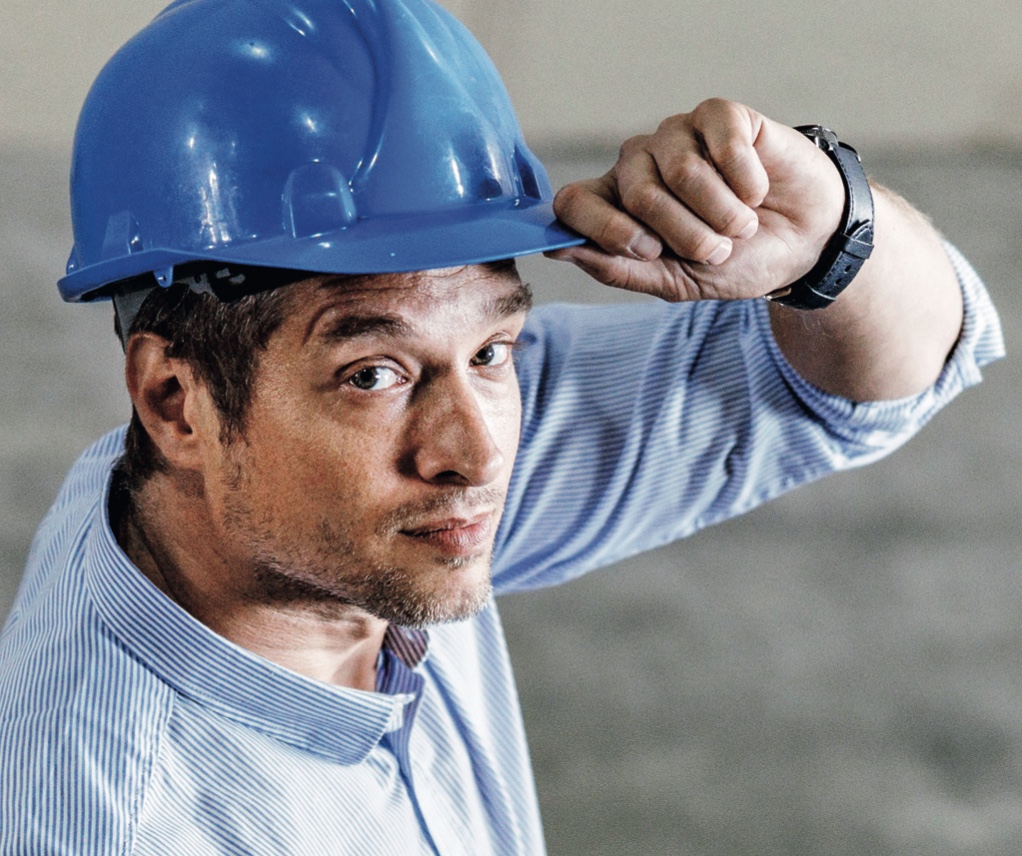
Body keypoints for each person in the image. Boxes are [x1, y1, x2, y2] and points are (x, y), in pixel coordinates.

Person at [0, 0, 1003, 852]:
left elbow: (853, 385)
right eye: (372, 372)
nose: (476, 452)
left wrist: (829, 233)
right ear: (173, 399)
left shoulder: (329, 502)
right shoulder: (116, 819)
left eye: (490, 350)